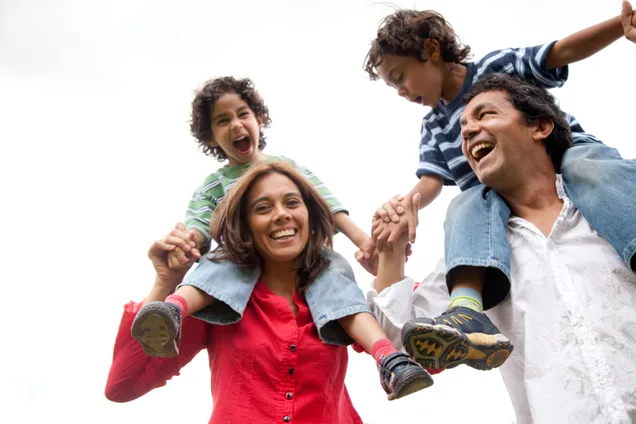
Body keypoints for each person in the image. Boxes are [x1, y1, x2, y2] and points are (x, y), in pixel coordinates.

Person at [362, 0, 636, 370]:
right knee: (466, 204)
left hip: (565, 152)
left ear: (430, 51)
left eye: (399, 77)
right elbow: (430, 181)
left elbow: (560, 51)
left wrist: (621, 26)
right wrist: (404, 207)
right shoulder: (433, 126)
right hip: (493, 194)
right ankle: (466, 312)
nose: (400, 92)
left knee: (591, 169)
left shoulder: (494, 69)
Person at [129, 77, 432, 398]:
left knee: (340, 284)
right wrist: (186, 244)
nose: (236, 125)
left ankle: (388, 356)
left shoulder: (286, 167)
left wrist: (364, 242)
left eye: (242, 114)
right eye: (222, 120)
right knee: (215, 264)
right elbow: (199, 227)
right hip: (241, 255)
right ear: (212, 137)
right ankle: (172, 311)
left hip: (308, 256)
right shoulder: (213, 185)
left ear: (258, 119)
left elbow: (328, 207)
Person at [367, 73, 636, 423]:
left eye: (485, 115)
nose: (466, 131)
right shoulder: (475, 254)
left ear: (540, 127)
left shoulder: (617, 204)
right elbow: (405, 339)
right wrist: (391, 247)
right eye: (463, 125)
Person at [105, 162, 433, 424]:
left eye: (292, 202)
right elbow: (124, 385)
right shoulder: (216, 304)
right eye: (263, 208)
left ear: (311, 216)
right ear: (245, 227)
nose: (281, 214)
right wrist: (164, 283)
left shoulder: (339, 301)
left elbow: (424, 360)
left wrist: (393, 247)